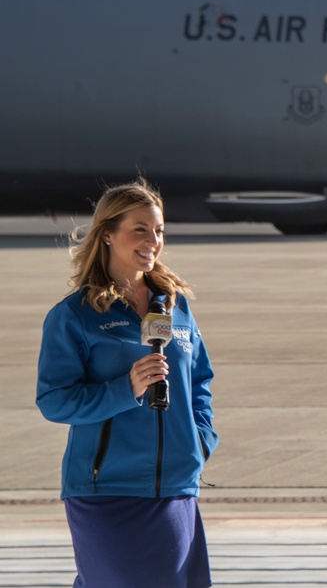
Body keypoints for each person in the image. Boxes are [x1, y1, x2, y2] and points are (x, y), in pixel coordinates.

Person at [36, 179, 218, 588]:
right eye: (140, 229)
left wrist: (200, 441)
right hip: (108, 490)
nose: (153, 240)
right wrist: (126, 388)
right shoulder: (76, 316)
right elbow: (54, 400)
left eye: (159, 230)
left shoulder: (174, 305)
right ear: (107, 235)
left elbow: (200, 381)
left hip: (175, 489)